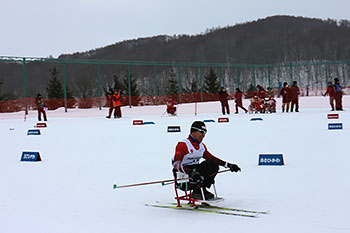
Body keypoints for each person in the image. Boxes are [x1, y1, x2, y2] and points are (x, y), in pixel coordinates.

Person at [172, 121, 241, 200]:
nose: (203, 135)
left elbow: (212, 158)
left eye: (205, 132)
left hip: (195, 172)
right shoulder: (183, 144)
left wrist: (229, 165)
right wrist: (191, 173)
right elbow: (176, 164)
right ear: (193, 131)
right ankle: (197, 191)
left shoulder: (201, 146)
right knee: (206, 166)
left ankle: (201, 189)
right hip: (182, 174)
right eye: (201, 132)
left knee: (213, 165)